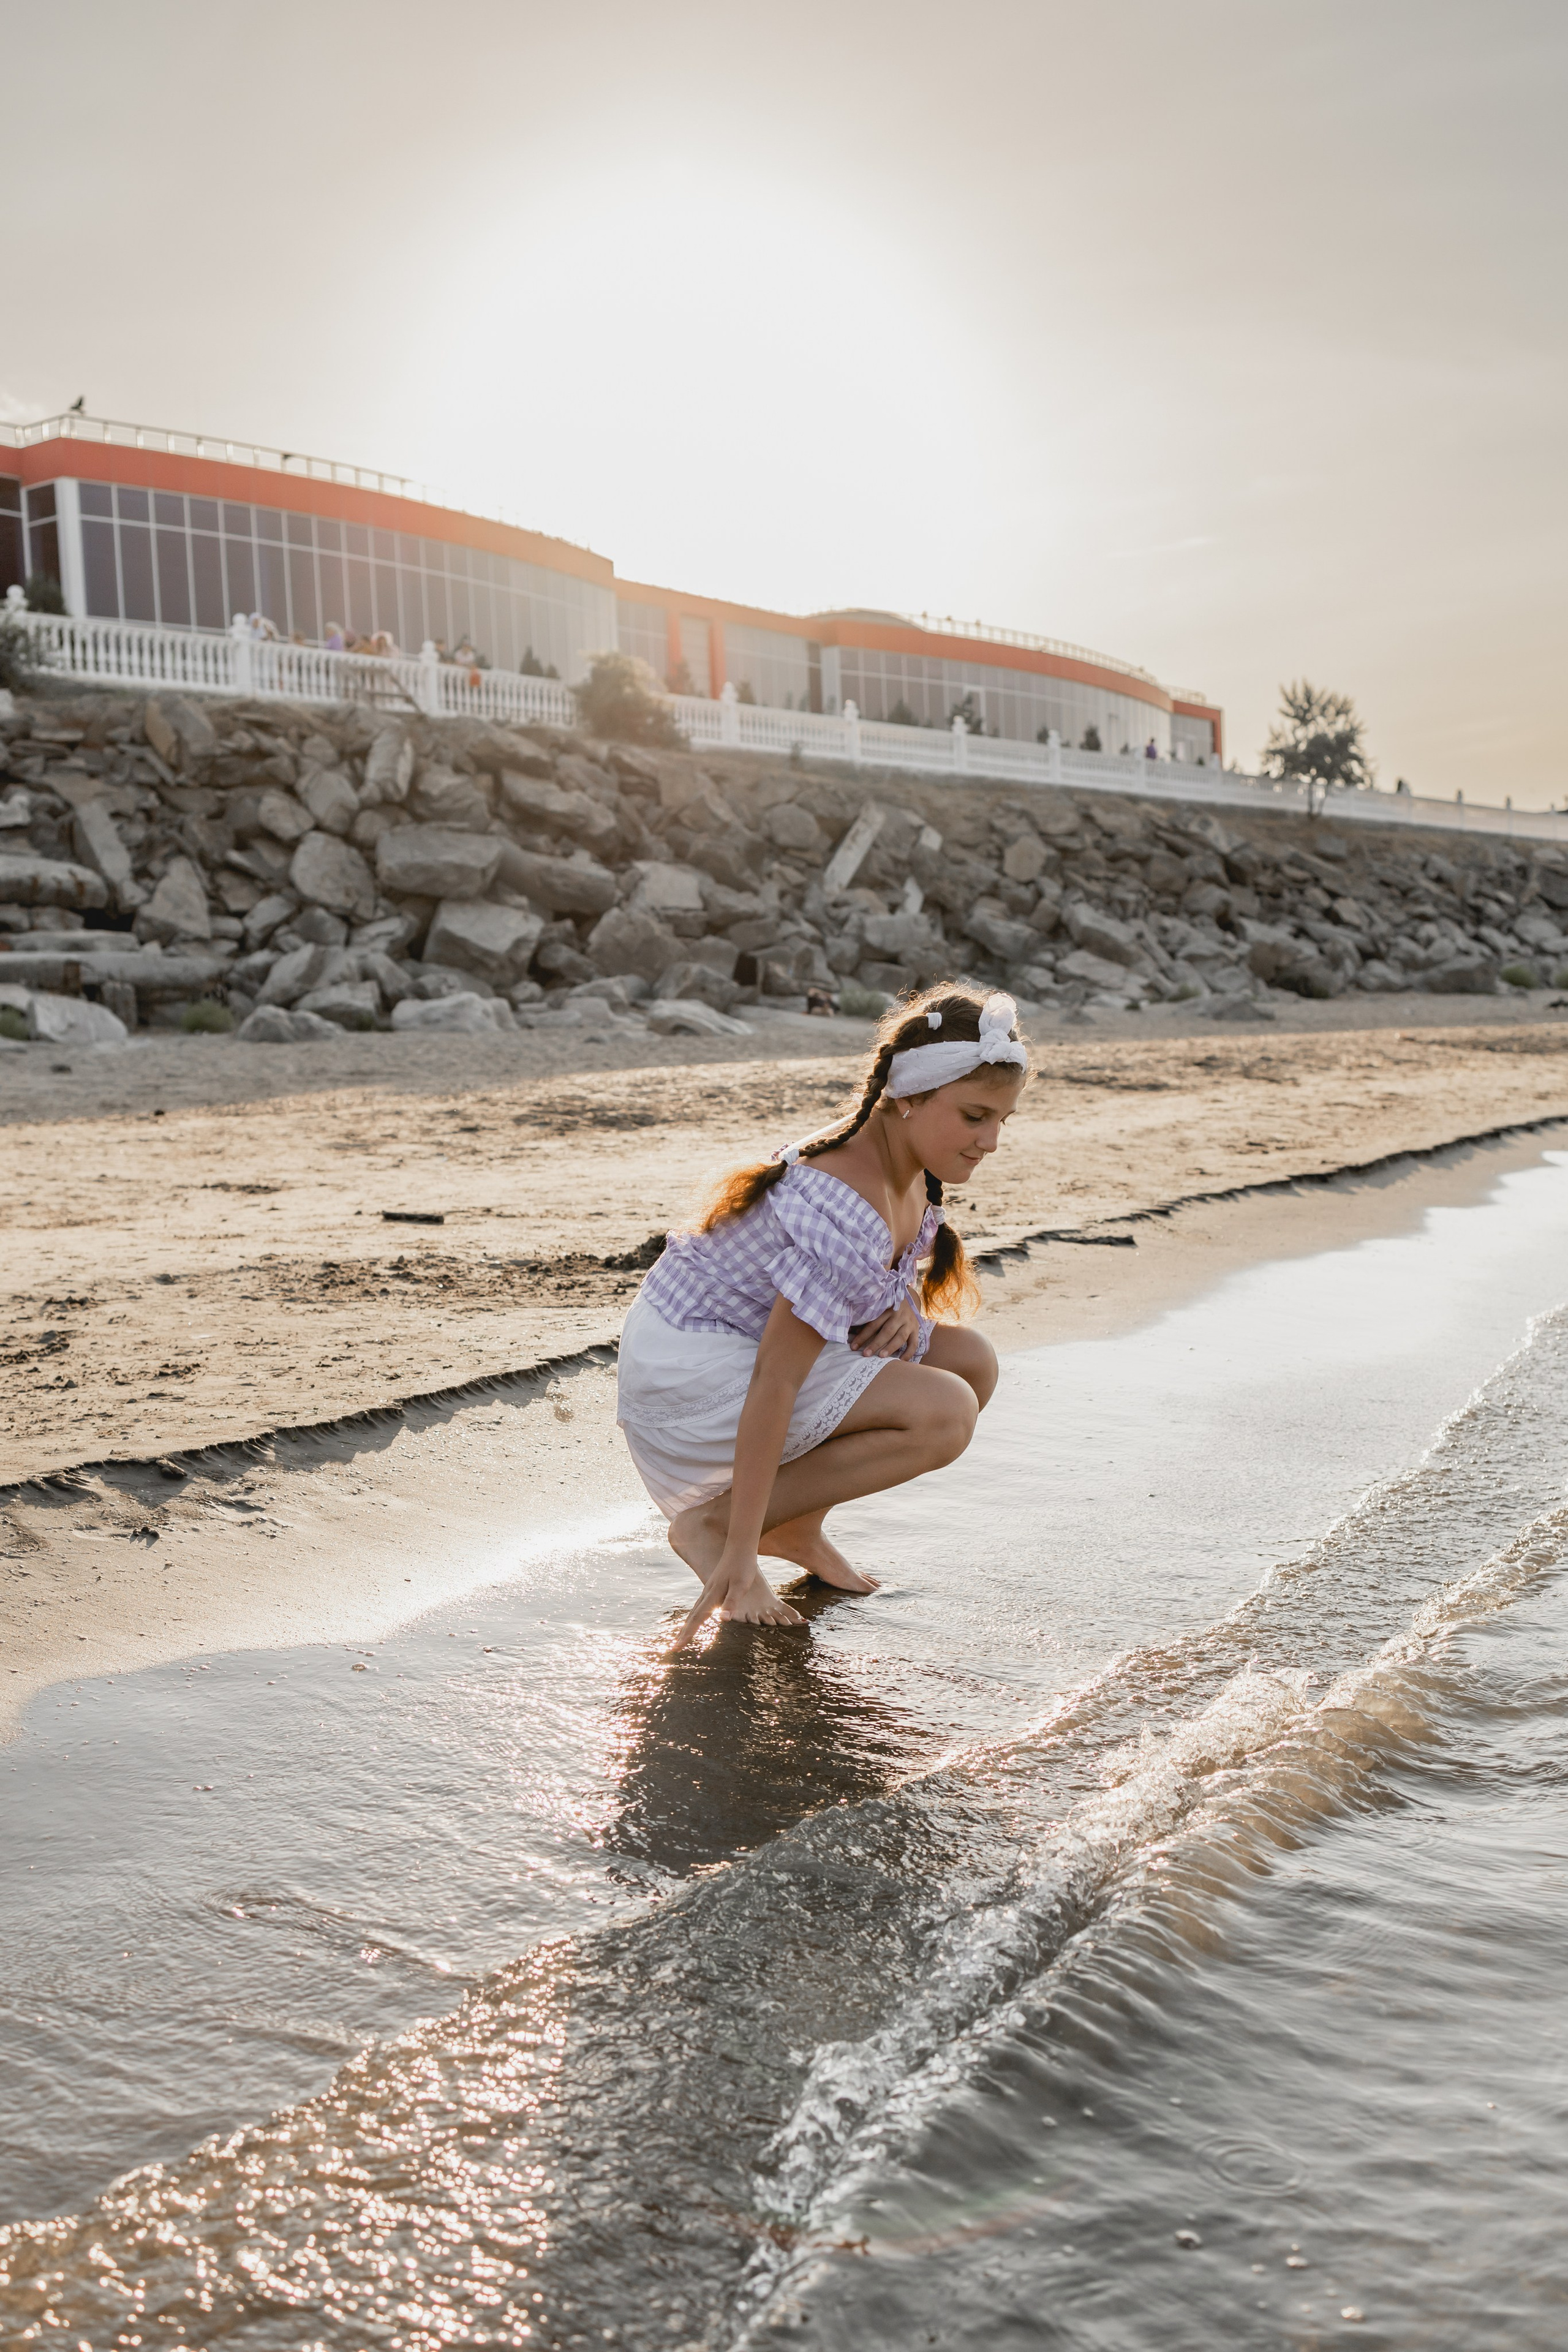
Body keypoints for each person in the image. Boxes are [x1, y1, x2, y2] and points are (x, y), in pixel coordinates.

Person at [616, 984, 1028, 1647]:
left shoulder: (910, 1165)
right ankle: (717, 1529)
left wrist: (900, 1302)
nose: (992, 1140)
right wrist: (737, 1556)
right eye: (976, 1116)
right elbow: (774, 1385)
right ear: (908, 1098)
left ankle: (797, 1526)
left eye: (1004, 1120)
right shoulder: (840, 1202)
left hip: (747, 1348)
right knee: (944, 1412)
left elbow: (879, 1268)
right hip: (691, 1364)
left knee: (971, 1363)